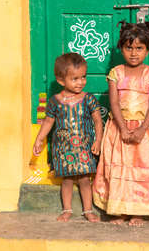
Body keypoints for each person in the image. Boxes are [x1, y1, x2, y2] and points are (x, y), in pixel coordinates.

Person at [92, 21, 149, 226]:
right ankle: (119, 210)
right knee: (120, 168)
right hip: (119, 129)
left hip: (145, 131)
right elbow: (113, 102)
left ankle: (138, 211)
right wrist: (123, 127)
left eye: (139, 48)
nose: (134, 53)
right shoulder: (116, 73)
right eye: (128, 48)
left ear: (148, 49)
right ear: (121, 48)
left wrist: (141, 129)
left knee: (141, 169)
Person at [33, 53, 103, 223]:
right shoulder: (55, 101)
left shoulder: (88, 99)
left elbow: (98, 121)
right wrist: (40, 139)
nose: (81, 82)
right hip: (64, 149)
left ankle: (88, 210)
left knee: (85, 179)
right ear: (61, 80)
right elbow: (49, 121)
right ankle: (67, 210)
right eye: (75, 79)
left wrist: (98, 140)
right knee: (67, 179)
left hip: (84, 147)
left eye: (83, 77)